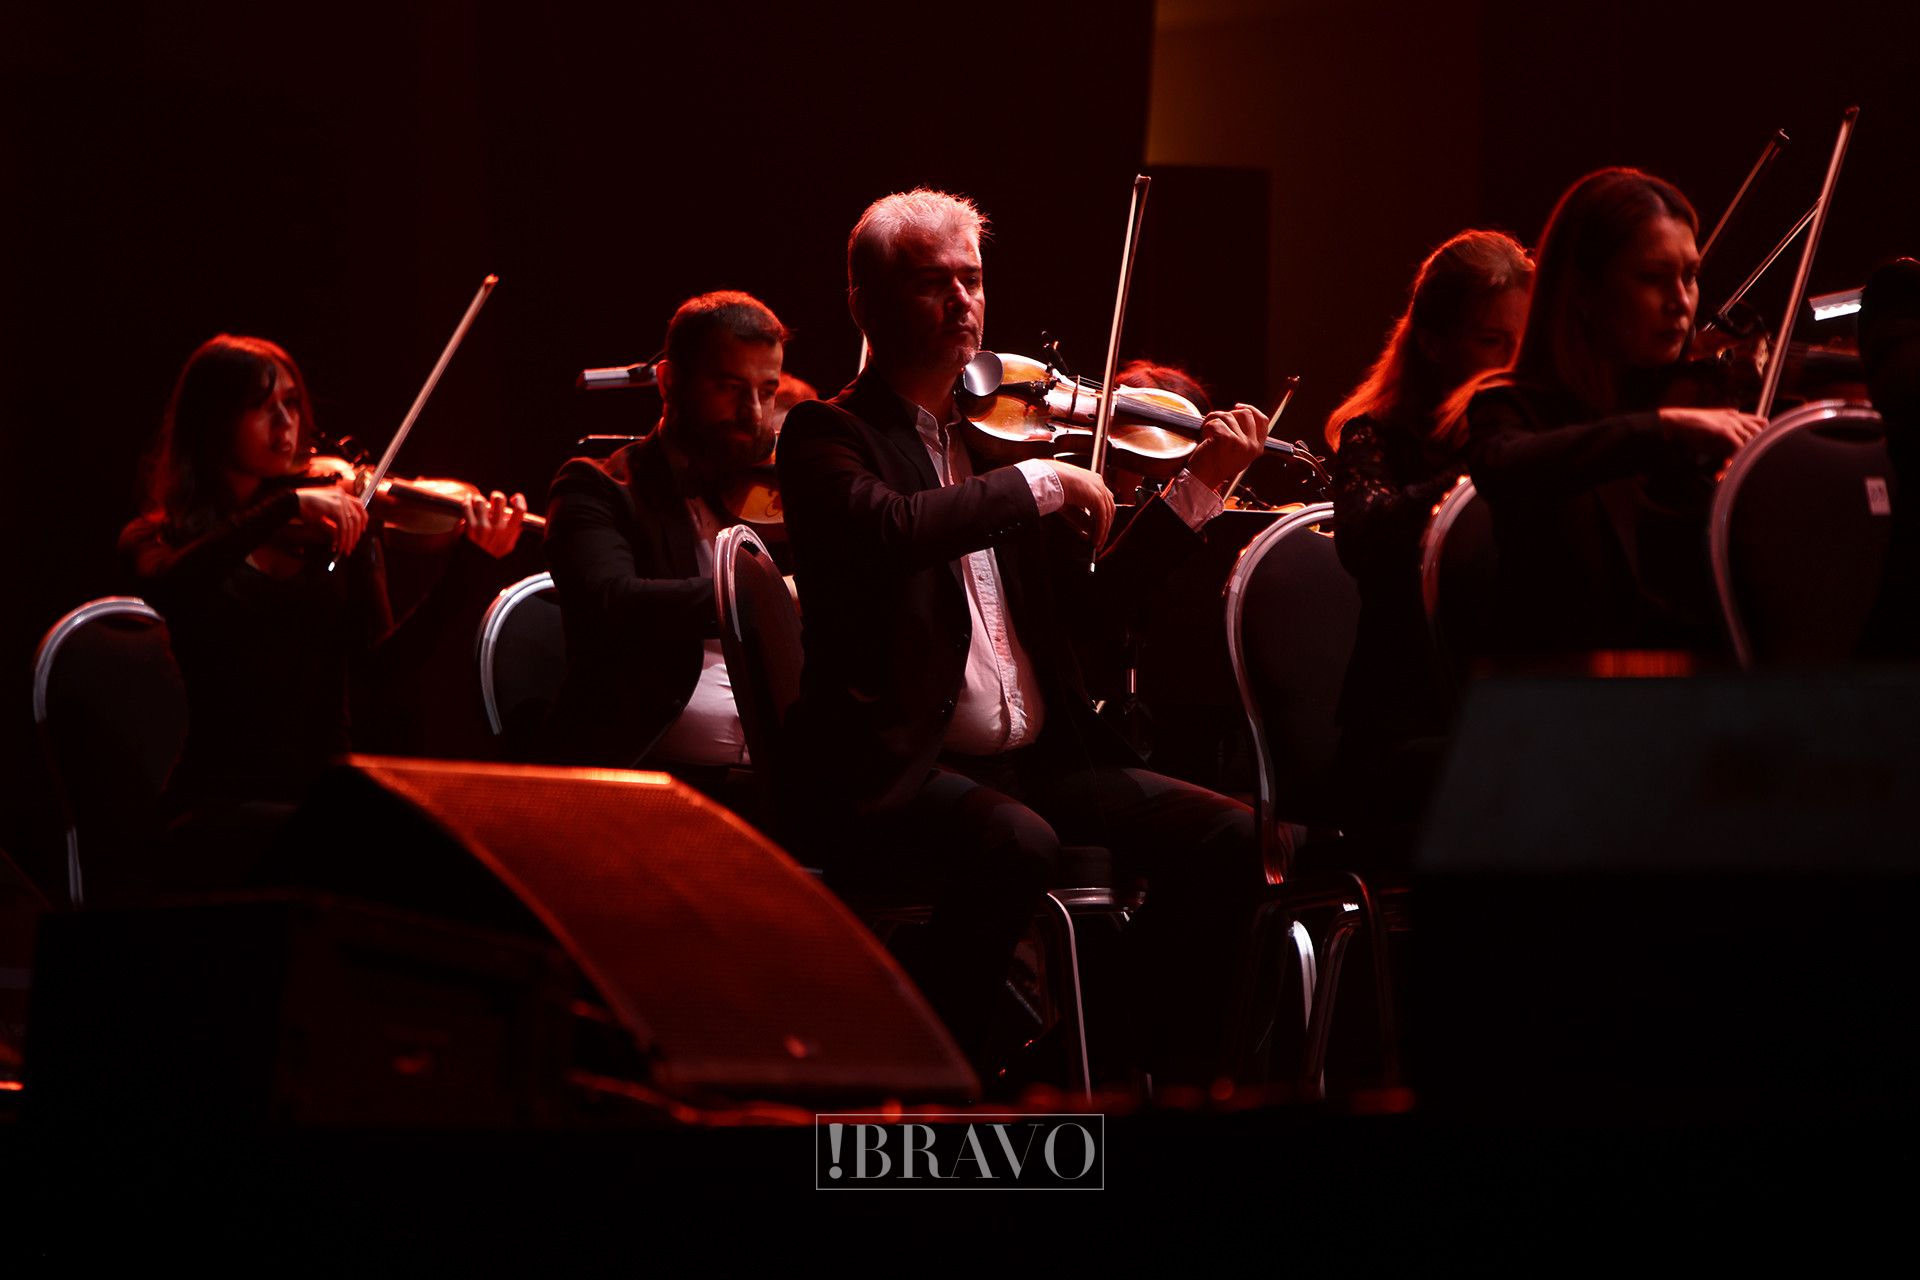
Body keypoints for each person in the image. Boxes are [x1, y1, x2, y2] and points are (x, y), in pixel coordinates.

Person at [774, 188, 1272, 1085]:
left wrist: (1198, 491)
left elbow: (1091, 616)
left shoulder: (995, 445)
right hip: (903, 766)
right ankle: (936, 1076)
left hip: (1037, 762)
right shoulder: (828, 436)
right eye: (932, 282)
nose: (961, 300)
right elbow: (888, 528)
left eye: (971, 280)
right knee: (1019, 843)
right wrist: (1041, 482)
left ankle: (1109, 1063)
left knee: (1235, 838)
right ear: (865, 304)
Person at [120, 334, 524, 893]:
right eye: (261, 406)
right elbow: (174, 584)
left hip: (325, 802)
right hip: (213, 810)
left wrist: (467, 569)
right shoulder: (159, 540)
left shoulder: (338, 529)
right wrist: (283, 505)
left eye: (291, 403)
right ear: (212, 421)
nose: (286, 424)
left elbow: (380, 671)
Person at [1460, 169, 1765, 660]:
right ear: (1584, 291)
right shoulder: (1513, 408)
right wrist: (1662, 426)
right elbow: (1504, 467)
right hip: (1568, 695)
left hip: (1706, 691)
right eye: (1652, 278)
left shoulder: (1704, 397)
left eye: (1689, 276)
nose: (1680, 302)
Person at [1325, 230, 1531, 839]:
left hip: (1512, 709)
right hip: (1406, 730)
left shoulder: (1543, 438)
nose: (1515, 361)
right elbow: (1365, 539)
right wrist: (1484, 458)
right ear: (1434, 342)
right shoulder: (1376, 434)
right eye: (1492, 341)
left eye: (1524, 341)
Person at [543, 291, 788, 789]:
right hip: (654, 778)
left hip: (788, 777)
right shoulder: (597, 487)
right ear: (669, 381)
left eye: (767, 391)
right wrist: (769, 595)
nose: (754, 414)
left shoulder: (777, 492)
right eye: (729, 388)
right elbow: (611, 602)